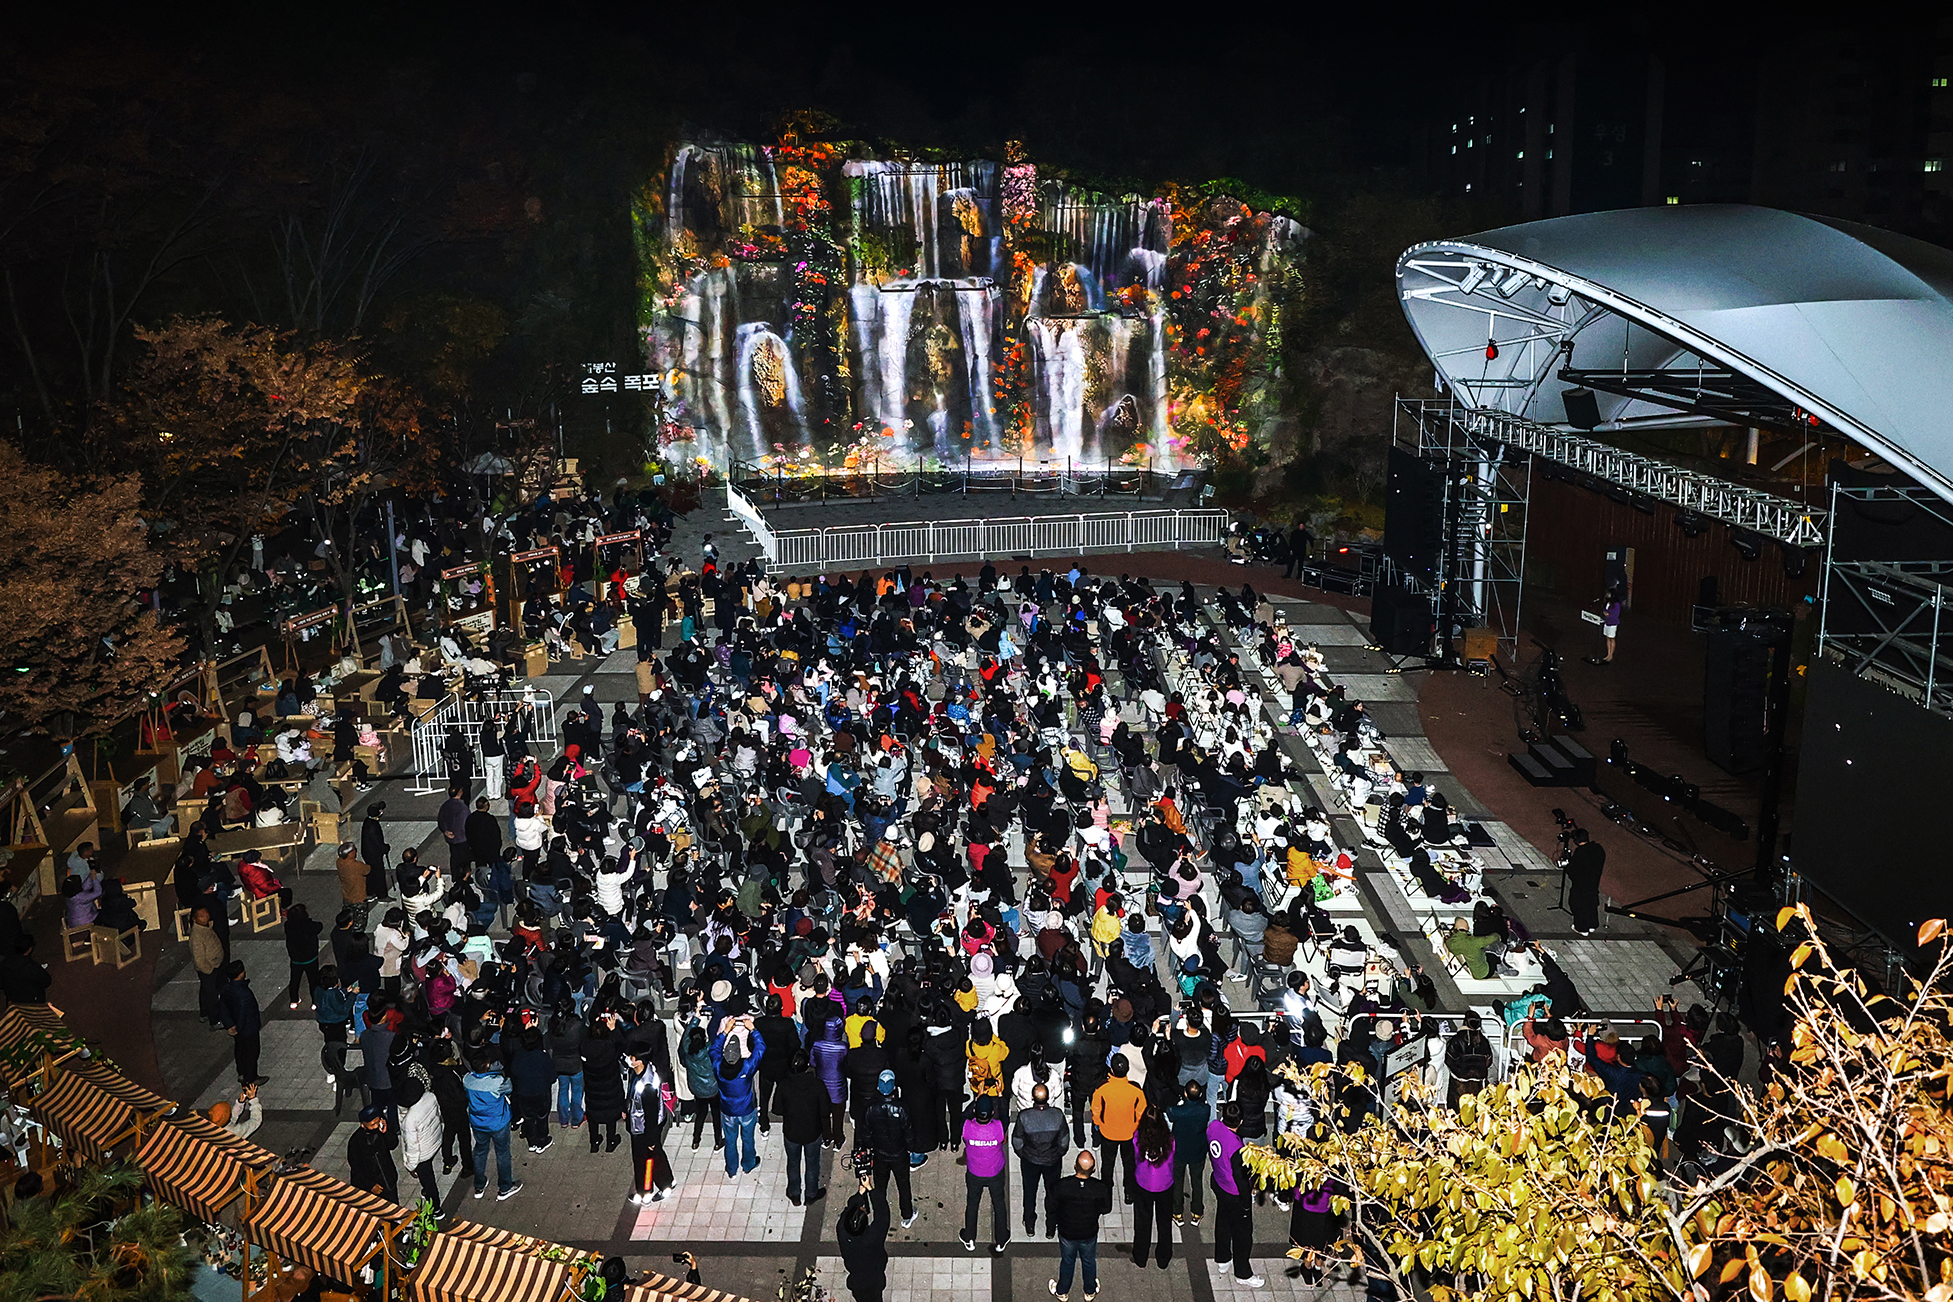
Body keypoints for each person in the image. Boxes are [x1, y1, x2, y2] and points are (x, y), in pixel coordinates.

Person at [1208, 1100, 1263, 1287]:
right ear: (1240, 1122)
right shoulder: (1236, 1148)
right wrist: (1246, 1202)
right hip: (1233, 1192)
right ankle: (1242, 1272)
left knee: (1223, 1221)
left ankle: (1222, 1258)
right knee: (1242, 1234)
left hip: (1219, 1183)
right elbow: (1241, 1179)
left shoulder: (1213, 1127)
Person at [1047, 1149, 1112, 1301]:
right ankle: (1089, 1291)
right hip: (1089, 1232)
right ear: (1094, 1169)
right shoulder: (1100, 1188)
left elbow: (1051, 1207)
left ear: (1075, 1166)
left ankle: (1062, 1291)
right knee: (1089, 1261)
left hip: (1067, 1232)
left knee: (1068, 1261)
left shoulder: (1061, 1186)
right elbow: (1106, 1208)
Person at [1011, 1081, 1069, 1239]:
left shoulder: (1025, 1116)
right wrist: (1057, 1154)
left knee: (1029, 1192)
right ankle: (1051, 1227)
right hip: (1052, 1162)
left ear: (1032, 1098)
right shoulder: (1057, 1115)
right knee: (1052, 1193)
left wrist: (1024, 1154)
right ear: (1048, 1098)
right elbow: (1064, 1143)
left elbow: (1017, 1141)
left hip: (1030, 1161)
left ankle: (1029, 1224)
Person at [462, 1054, 522, 1201]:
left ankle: (479, 1185)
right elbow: (509, 1088)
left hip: (478, 1123)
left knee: (480, 1151)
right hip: (498, 1123)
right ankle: (505, 1187)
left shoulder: (467, 1080)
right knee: (502, 1153)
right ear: (487, 1066)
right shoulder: (497, 1082)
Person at [1089, 1054, 1145, 1203]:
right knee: (1129, 1164)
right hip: (1129, 1134)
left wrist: (1099, 1124)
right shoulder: (1136, 1090)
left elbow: (1095, 1110)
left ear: (1111, 1070)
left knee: (1107, 1165)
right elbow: (1141, 1112)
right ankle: (1129, 1193)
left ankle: (1106, 1195)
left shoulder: (1102, 1088)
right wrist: (1135, 1127)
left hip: (1108, 1133)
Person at [864, 1069, 917, 1227]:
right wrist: (910, 1148)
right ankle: (907, 1214)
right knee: (903, 1184)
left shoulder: (871, 1108)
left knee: (880, 1186)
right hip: (899, 1154)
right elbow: (909, 1133)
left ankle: (879, 1216)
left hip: (879, 1155)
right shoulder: (901, 1108)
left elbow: (865, 1134)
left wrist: (871, 1147)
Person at [776, 1050, 828, 1206]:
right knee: (812, 1163)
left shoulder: (784, 1085)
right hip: (812, 1132)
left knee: (793, 1162)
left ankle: (794, 1193)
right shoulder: (817, 1085)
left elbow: (777, 1109)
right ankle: (811, 1193)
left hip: (792, 1132)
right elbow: (825, 1110)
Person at [713, 1026, 765, 1179]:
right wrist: (754, 1030)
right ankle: (748, 1164)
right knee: (748, 1138)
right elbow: (761, 1047)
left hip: (728, 1110)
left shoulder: (717, 1067)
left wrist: (724, 1032)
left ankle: (731, 1169)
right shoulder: (747, 1067)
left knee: (730, 1140)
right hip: (747, 1109)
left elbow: (713, 1049)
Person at [960, 1094, 1010, 1253]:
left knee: (973, 1203)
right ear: (991, 1114)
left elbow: (963, 1115)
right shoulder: (998, 1128)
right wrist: (1001, 1097)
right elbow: (1004, 1114)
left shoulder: (966, 1127)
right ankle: (1001, 1239)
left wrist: (975, 1101)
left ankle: (969, 1237)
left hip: (975, 1171)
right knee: (999, 1204)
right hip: (995, 1171)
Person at [624, 1050, 674, 1204]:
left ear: (639, 1061)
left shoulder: (647, 1085)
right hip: (642, 1125)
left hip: (643, 1129)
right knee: (656, 1155)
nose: (629, 1059)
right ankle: (666, 1182)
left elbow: (650, 1116)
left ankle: (646, 1192)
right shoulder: (644, 1071)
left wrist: (650, 1139)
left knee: (644, 1160)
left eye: (632, 1057)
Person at [1131, 1109, 1175, 1268]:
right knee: (1164, 1223)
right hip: (1165, 1184)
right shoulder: (1169, 1141)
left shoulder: (1138, 1139)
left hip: (1143, 1183)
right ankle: (1163, 1258)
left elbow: (1135, 1157)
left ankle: (1140, 1256)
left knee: (1142, 1221)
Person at [397, 1077, 446, 1214]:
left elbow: (412, 1148)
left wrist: (410, 1166)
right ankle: (429, 1195)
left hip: (422, 1153)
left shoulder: (410, 1121)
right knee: (428, 1173)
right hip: (434, 1139)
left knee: (428, 1179)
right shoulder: (430, 1097)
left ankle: (436, 1209)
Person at [215, 961, 266, 1088]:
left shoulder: (227, 989)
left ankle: (242, 1073)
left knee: (240, 1050)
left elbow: (223, 1007)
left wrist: (230, 1025)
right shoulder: (244, 993)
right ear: (241, 973)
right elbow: (245, 1012)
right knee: (251, 1052)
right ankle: (251, 1077)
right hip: (248, 1028)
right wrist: (240, 1028)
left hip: (237, 1027)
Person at [838, 1184, 891, 1302]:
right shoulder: (872, 1237)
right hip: (874, 1278)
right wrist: (870, 1189)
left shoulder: (842, 1231)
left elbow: (847, 1214)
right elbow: (883, 1215)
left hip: (857, 1280)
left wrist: (859, 1195)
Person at [348, 1104, 399, 1203]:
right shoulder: (356, 1142)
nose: (376, 1126)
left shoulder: (381, 1130)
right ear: (363, 1125)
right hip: (371, 1183)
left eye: (377, 1122)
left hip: (387, 1178)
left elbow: (393, 1144)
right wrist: (370, 1185)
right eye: (372, 1124)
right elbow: (356, 1167)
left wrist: (386, 1132)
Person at [1444, 1012, 1496, 1108]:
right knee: (1475, 1108)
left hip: (1459, 1080)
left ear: (1465, 1022)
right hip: (1478, 1082)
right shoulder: (1483, 1041)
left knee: (1457, 1109)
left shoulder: (1457, 1039)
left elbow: (1449, 1059)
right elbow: (1489, 1061)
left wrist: (1457, 1070)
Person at [1563, 829, 1606, 936]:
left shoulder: (1580, 852)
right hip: (1594, 881)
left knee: (1578, 904)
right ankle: (1592, 924)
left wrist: (1567, 865)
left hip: (1581, 883)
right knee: (1591, 902)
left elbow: (1573, 870)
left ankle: (1582, 928)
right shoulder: (1598, 849)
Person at [284, 902, 322, 1010]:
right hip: (310, 959)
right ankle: (315, 1002)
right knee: (313, 980)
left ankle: (294, 1000)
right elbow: (319, 926)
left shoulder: (288, 926)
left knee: (295, 980)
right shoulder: (308, 926)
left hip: (296, 959)